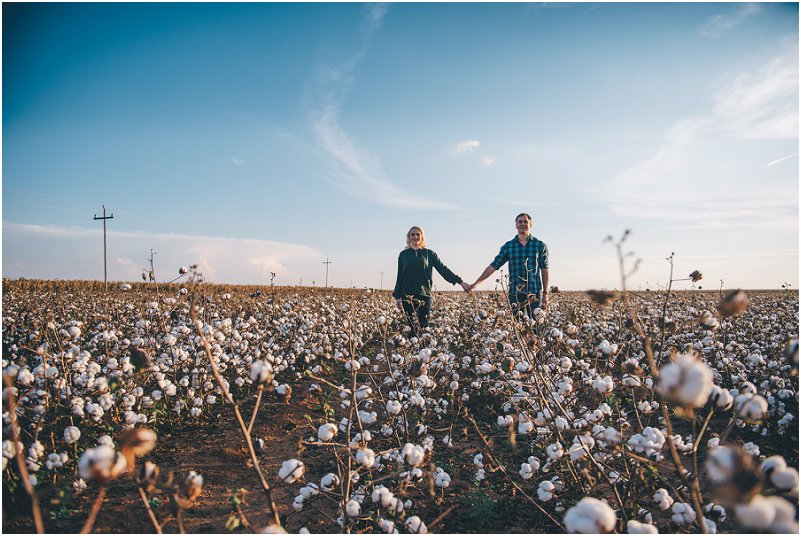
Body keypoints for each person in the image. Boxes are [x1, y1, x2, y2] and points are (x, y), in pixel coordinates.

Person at [469, 213, 550, 317]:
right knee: (517, 326)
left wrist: (545, 293)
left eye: (526, 221)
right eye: (520, 222)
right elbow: (494, 266)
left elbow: (545, 269)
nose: (523, 224)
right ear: (516, 225)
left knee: (536, 326)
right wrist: (476, 283)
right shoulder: (509, 246)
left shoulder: (540, 245)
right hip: (515, 293)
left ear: (530, 225)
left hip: (534, 292)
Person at [393, 226, 471, 332]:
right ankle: (412, 347)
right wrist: (398, 296)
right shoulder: (403, 255)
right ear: (409, 237)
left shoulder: (429, 254)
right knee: (411, 327)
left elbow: (443, 269)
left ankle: (423, 348)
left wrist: (460, 282)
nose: (415, 236)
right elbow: (400, 275)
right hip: (407, 295)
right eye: (412, 234)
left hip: (424, 294)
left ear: (422, 237)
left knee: (424, 327)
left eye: (418, 234)